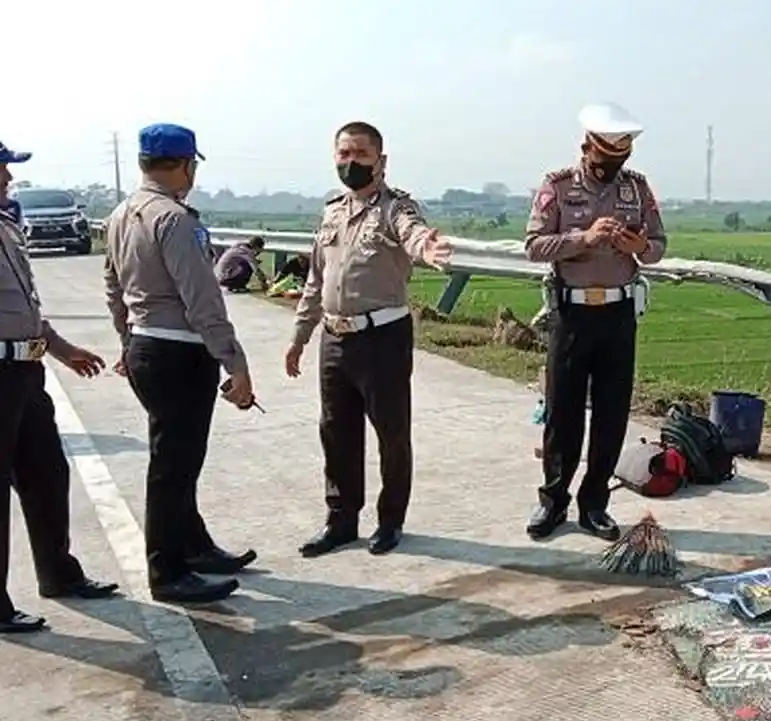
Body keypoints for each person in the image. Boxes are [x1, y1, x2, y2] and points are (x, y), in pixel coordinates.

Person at [103, 123, 257, 605]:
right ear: (186, 166)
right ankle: (167, 571)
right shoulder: (175, 220)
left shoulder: (120, 215)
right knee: (174, 465)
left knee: (176, 458)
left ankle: (193, 546)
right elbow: (202, 299)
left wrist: (127, 341)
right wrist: (234, 361)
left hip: (146, 346)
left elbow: (112, 287)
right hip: (179, 354)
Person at [286, 121, 453, 558]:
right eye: (344, 154)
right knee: (335, 432)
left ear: (381, 161)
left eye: (361, 154)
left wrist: (427, 247)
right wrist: (300, 336)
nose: (351, 162)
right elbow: (316, 280)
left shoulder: (396, 208)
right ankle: (340, 521)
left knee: (391, 433)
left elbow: (413, 234)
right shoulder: (331, 212)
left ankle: (390, 521)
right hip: (335, 337)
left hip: (382, 339)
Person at [523, 103, 667, 541]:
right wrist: (582, 239)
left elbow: (658, 246)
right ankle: (553, 500)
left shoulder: (637, 188)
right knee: (563, 413)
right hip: (572, 312)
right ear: (587, 147)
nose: (611, 167)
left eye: (620, 158)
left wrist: (639, 247)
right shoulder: (558, 186)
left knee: (611, 412)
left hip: (618, 315)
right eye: (605, 157)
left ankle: (595, 504)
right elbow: (533, 246)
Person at [0, 140, 118, 633]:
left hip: (25, 372)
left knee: (47, 473)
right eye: (1, 169)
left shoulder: (7, 225)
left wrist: (62, 349)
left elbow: (23, 307)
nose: (8, 179)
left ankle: (58, 573)